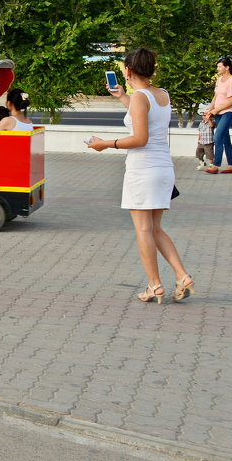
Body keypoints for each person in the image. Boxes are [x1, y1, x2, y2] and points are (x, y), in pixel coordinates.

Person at [87, 48, 195, 304]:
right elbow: (146, 117)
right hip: (163, 168)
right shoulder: (161, 95)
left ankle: (154, 285)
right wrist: (123, 97)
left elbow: (139, 138)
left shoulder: (140, 97)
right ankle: (182, 276)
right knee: (155, 228)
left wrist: (105, 143)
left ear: (128, 70)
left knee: (144, 229)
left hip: (142, 169)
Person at [201, 57, 232, 174]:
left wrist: (216, 110)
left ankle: (215, 165)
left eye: (219, 66)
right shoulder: (219, 79)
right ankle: (231, 166)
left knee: (217, 137)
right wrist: (210, 110)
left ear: (227, 67)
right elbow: (216, 96)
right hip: (218, 113)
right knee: (225, 139)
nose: (217, 68)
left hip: (228, 113)